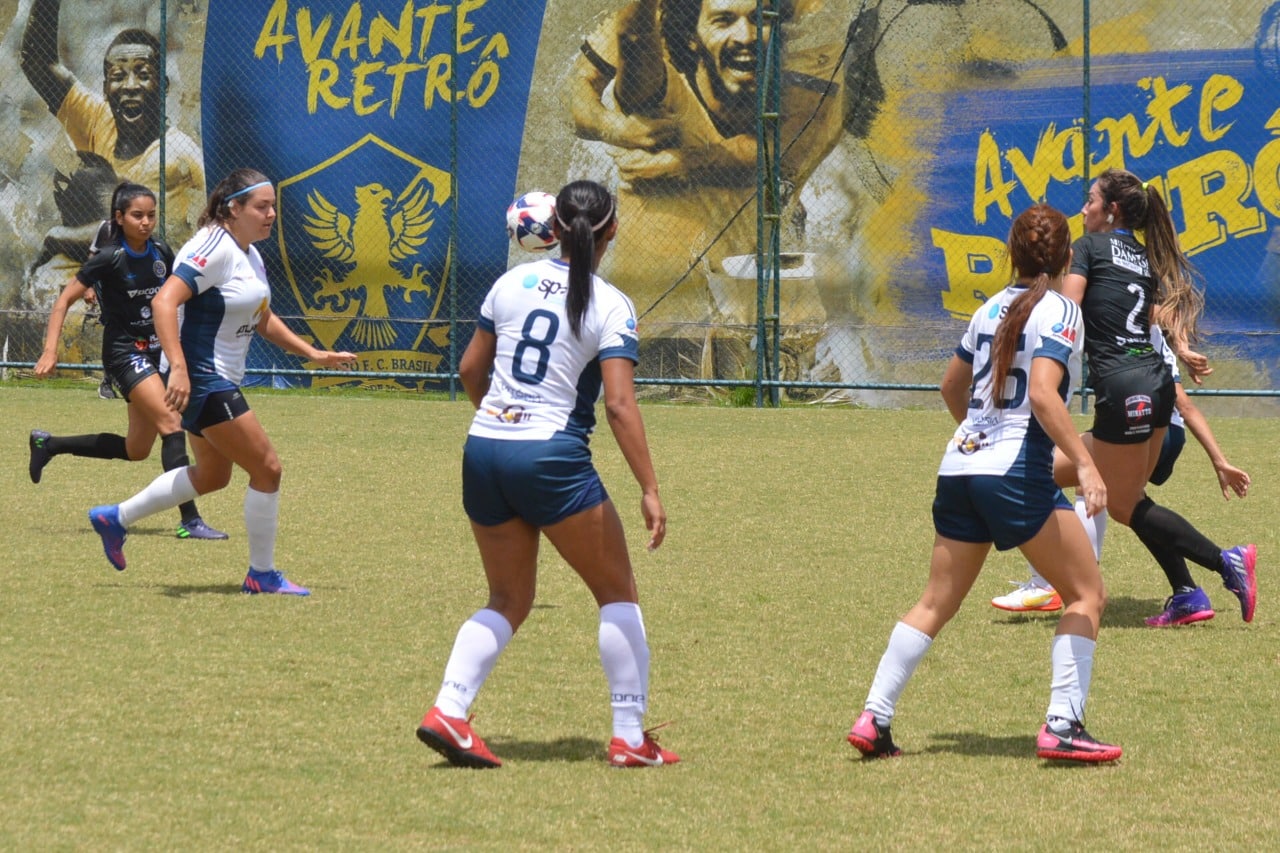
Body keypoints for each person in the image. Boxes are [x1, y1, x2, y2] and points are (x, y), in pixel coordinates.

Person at [415, 180, 676, 769]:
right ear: (610, 230)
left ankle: (449, 712)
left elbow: (468, 370)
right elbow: (618, 404)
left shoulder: (510, 282)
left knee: (507, 597)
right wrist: (650, 489)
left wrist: (500, 419)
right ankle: (631, 739)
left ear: (551, 227)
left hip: (484, 447)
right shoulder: (609, 303)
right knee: (617, 594)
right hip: (550, 453)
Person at [848, 204, 1122, 763]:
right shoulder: (1063, 310)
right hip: (1013, 472)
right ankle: (1063, 727)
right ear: (1067, 256)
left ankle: (873, 717)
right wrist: (1087, 465)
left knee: (934, 602)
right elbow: (1044, 394)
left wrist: (980, 438)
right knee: (1087, 594)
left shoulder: (988, 309)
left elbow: (951, 388)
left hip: (960, 467)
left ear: (1011, 256)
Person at [87, 169, 356, 594]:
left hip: (214, 379)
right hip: (202, 379)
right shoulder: (213, 246)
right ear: (234, 208)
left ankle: (114, 518)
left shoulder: (247, 253)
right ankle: (261, 575)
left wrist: (313, 353)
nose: (271, 215)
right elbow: (164, 301)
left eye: (273, 207)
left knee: (213, 476)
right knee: (268, 469)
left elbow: (262, 318)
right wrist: (176, 367)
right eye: (262, 206)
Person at [571, 0, 843, 377]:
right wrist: (614, 128)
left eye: (757, 21)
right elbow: (586, 79)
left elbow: (782, 148)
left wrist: (680, 163)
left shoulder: (803, 25)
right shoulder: (653, 49)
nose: (745, 35)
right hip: (664, 311)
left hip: (761, 301)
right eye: (724, 21)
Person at [1052, 168, 1256, 626]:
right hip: (1156, 385)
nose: (1083, 209)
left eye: (1090, 200)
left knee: (1104, 497)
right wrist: (1181, 347)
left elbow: (1065, 309)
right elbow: (1159, 312)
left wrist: (1036, 347)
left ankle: (1227, 561)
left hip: (1125, 389)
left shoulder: (1087, 249)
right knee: (1129, 501)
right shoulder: (1144, 259)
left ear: (1112, 210)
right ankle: (1187, 591)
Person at [992, 325, 1251, 623]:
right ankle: (1187, 591)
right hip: (1159, 430)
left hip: (1148, 427)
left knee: (1037, 472)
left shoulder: (1130, 331)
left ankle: (1048, 584)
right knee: (1130, 506)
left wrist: (1219, 460)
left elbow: (1184, 403)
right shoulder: (1133, 323)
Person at [29, 181, 226, 540]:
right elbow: (63, 302)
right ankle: (190, 519)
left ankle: (50, 444)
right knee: (171, 423)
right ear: (119, 218)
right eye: (137, 215)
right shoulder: (108, 258)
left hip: (155, 352)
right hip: (123, 353)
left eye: (151, 215)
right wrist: (50, 350)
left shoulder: (162, 252)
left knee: (136, 449)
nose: (146, 222)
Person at [20, 0, 205, 246]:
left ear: (164, 87)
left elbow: (136, 241)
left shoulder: (180, 157)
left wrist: (60, 237)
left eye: (143, 74)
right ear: (106, 90)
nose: (130, 86)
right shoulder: (98, 120)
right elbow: (37, 62)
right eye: (118, 76)